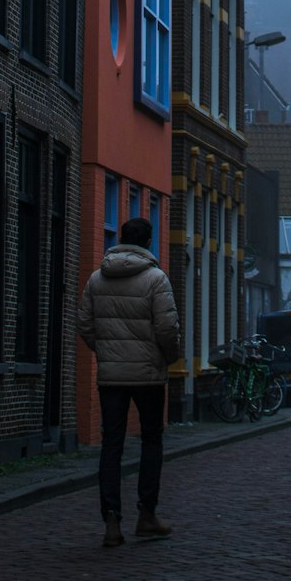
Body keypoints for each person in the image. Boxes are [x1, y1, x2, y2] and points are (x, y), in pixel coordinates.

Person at [77, 216, 181, 547]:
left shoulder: (97, 279)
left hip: (111, 376)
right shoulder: (156, 279)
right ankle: (147, 516)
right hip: (148, 376)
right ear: (148, 242)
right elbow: (167, 328)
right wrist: (168, 356)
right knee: (151, 440)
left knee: (112, 444)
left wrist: (105, 351)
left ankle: (111, 521)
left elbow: (84, 322)